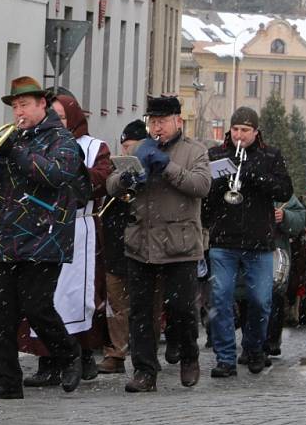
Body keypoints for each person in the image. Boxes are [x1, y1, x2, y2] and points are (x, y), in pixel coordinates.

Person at [0, 76, 83, 400]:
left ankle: (69, 353)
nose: (18, 111)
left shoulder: (61, 138)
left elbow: (55, 174)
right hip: (8, 233)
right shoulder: (10, 139)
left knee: (37, 307)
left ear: (41, 105)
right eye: (15, 106)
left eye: (24, 104)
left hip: (46, 234)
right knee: (0, 311)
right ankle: (7, 380)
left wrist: (16, 151)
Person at [107, 95, 211, 392]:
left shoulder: (195, 151)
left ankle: (189, 355)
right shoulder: (141, 149)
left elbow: (201, 186)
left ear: (178, 121)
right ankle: (144, 371)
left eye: (162, 122)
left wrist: (166, 167)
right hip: (141, 243)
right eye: (153, 122)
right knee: (140, 312)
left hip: (180, 245)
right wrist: (127, 178)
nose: (157, 128)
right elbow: (111, 185)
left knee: (180, 309)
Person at [21, 94, 111, 385]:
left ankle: (80, 355)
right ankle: (48, 360)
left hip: (77, 225)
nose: (57, 122)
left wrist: (67, 167)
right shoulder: (36, 141)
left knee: (76, 298)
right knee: (46, 297)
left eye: (62, 117)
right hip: (44, 225)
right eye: (53, 116)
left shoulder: (93, 146)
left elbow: (98, 181)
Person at [202, 107, 293, 378]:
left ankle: (254, 349)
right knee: (220, 298)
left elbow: (285, 190)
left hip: (259, 241)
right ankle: (225, 358)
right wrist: (221, 181)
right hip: (224, 241)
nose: (239, 135)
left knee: (260, 300)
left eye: (245, 130)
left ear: (255, 132)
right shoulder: (217, 155)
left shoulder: (271, 156)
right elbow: (204, 194)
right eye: (236, 130)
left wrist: (253, 175)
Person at [98, 119, 147, 375]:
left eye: (134, 146)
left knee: (144, 305)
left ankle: (143, 355)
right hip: (117, 245)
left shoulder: (153, 167)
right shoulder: (116, 169)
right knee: (116, 304)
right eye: (126, 146)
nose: (129, 152)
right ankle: (115, 354)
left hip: (144, 246)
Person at [263, 195, 305, 357]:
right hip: (251, 250)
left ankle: (271, 339)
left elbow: (300, 219)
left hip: (276, 252)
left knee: (275, 298)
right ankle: (254, 342)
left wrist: (285, 216)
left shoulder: (282, 195)